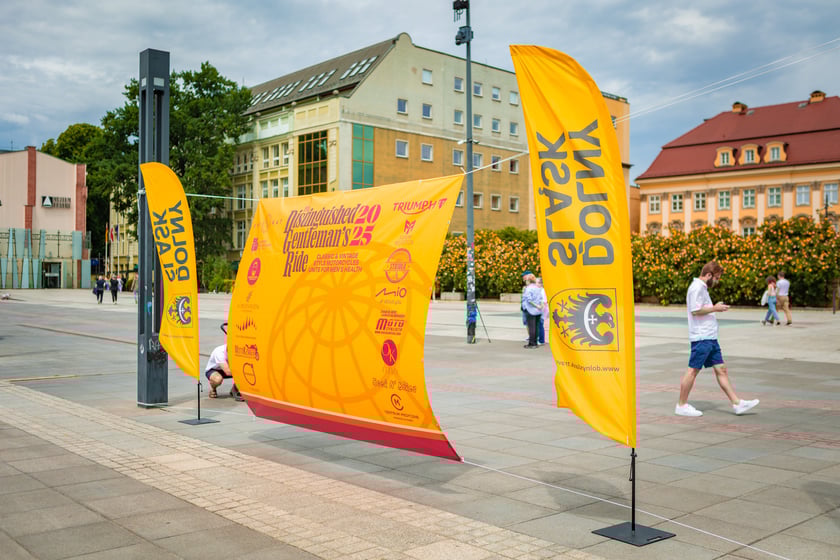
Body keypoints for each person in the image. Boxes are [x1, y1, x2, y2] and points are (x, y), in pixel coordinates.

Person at [676, 261, 760, 417]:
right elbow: (695, 310)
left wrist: (714, 307)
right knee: (692, 370)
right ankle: (681, 405)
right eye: (716, 278)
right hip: (702, 337)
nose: (717, 281)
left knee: (721, 369)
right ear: (709, 275)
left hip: (710, 337)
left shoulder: (702, 288)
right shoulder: (696, 288)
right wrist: (715, 308)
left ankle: (737, 403)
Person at [521, 273, 545, 349]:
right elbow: (541, 298)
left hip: (530, 310)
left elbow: (529, 300)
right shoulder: (538, 288)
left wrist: (536, 306)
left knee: (531, 327)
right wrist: (540, 306)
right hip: (538, 310)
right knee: (537, 327)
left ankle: (532, 343)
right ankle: (535, 342)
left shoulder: (528, 289)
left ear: (528, 280)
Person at [536, 277, 548, 345]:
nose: (535, 284)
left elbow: (544, 302)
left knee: (540, 324)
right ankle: (540, 339)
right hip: (542, 309)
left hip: (543, 309)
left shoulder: (543, 291)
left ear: (541, 283)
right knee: (539, 324)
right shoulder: (540, 290)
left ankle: (541, 340)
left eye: (537, 282)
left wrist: (540, 311)